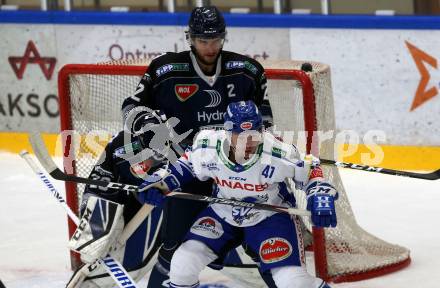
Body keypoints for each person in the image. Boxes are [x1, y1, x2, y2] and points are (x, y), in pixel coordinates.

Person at [121, 6, 274, 287]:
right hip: (188, 171)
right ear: (189, 37)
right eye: (203, 40)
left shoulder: (247, 71)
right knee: (174, 244)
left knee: (264, 246)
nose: (210, 46)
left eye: (216, 40)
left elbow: (264, 122)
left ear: (224, 38)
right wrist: (151, 138)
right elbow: (132, 107)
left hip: (236, 175)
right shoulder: (165, 71)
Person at [139, 101, 338, 288]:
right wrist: (158, 183)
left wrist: (320, 195)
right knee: (183, 264)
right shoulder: (207, 144)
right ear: (227, 132)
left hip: (269, 216)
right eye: (240, 135)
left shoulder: (277, 152)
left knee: (293, 282)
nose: (249, 141)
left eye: (254, 133)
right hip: (223, 211)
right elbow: (183, 166)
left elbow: (311, 170)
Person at [66, 110, 171, 288]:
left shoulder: (172, 145)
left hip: (141, 205)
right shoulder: (123, 145)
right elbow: (106, 184)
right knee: (94, 250)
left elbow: (176, 174)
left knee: (136, 264)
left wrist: (158, 186)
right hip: (110, 197)